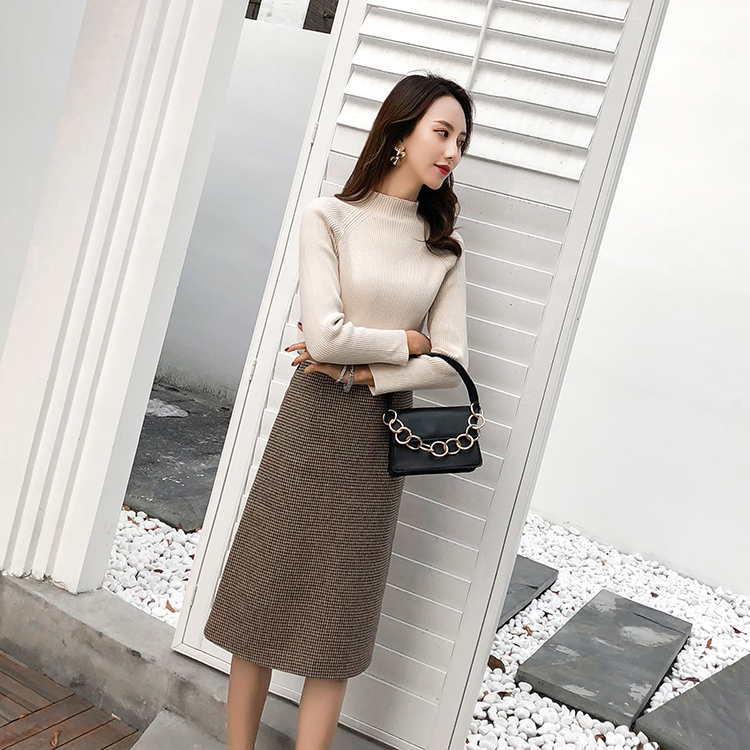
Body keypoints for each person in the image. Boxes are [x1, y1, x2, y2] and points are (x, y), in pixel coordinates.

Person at [203, 71, 475, 750]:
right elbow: (321, 337)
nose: (452, 152)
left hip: (380, 437)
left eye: (461, 141)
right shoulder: (328, 217)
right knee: (261, 594)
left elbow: (450, 365)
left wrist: (364, 368)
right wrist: (409, 340)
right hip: (310, 425)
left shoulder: (444, 248)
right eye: (442, 133)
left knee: (338, 618)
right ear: (400, 133)